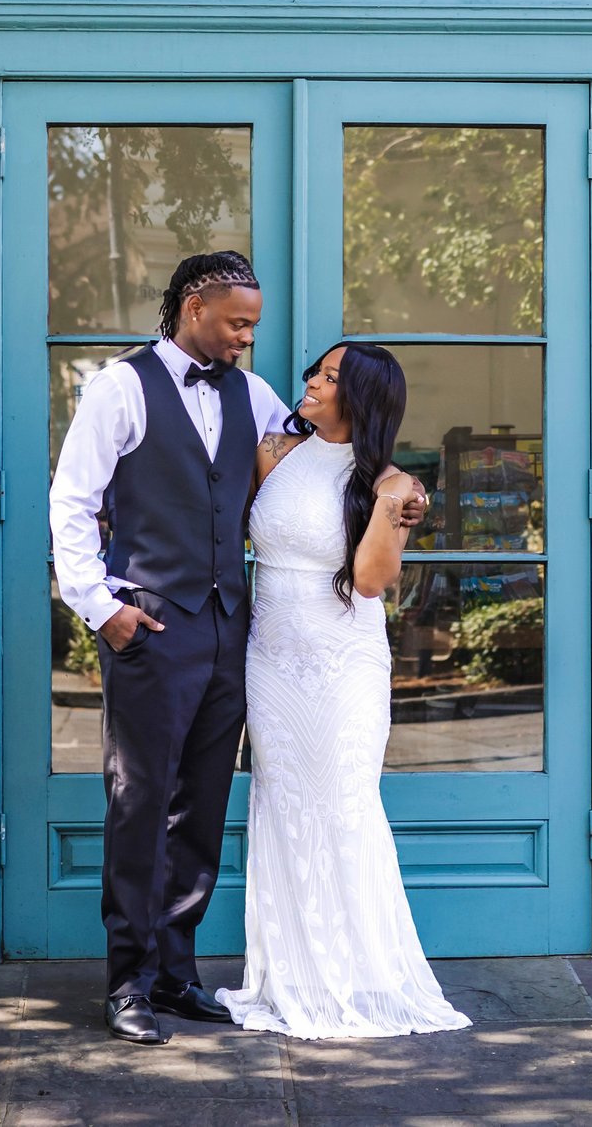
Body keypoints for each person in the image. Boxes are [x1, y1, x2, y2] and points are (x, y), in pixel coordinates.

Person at [51, 252, 424, 1044]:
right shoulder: (121, 387)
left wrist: (401, 490)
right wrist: (99, 606)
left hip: (237, 632)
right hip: (150, 625)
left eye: (253, 323)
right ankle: (129, 982)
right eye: (237, 322)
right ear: (193, 307)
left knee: (203, 808)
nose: (248, 338)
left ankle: (179, 974)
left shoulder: (252, 395)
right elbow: (72, 501)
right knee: (140, 801)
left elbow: (332, 462)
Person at [219, 342, 470, 1039]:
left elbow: (366, 581)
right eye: (316, 371)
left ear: (359, 399)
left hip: (344, 662)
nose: (312, 383)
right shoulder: (274, 453)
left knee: (345, 805)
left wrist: (393, 503)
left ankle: (359, 977)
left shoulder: (389, 483)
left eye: (330, 378)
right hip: (270, 658)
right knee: (284, 805)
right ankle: (292, 975)